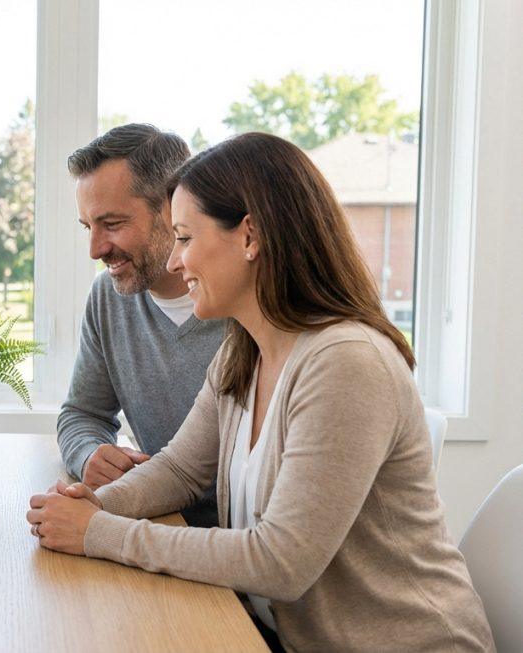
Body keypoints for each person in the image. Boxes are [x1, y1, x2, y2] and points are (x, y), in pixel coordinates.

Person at [27, 132, 494, 651]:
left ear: (250, 237)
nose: (177, 264)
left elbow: (281, 562)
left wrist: (98, 532)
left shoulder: (346, 362)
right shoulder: (246, 348)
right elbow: (180, 470)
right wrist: (90, 505)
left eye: (185, 238)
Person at [58, 124, 225, 527]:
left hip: (229, 545)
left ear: (173, 209)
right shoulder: (108, 298)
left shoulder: (245, 308)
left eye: (112, 224)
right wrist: (90, 456)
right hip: (157, 518)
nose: (96, 249)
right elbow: (82, 412)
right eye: (88, 226)